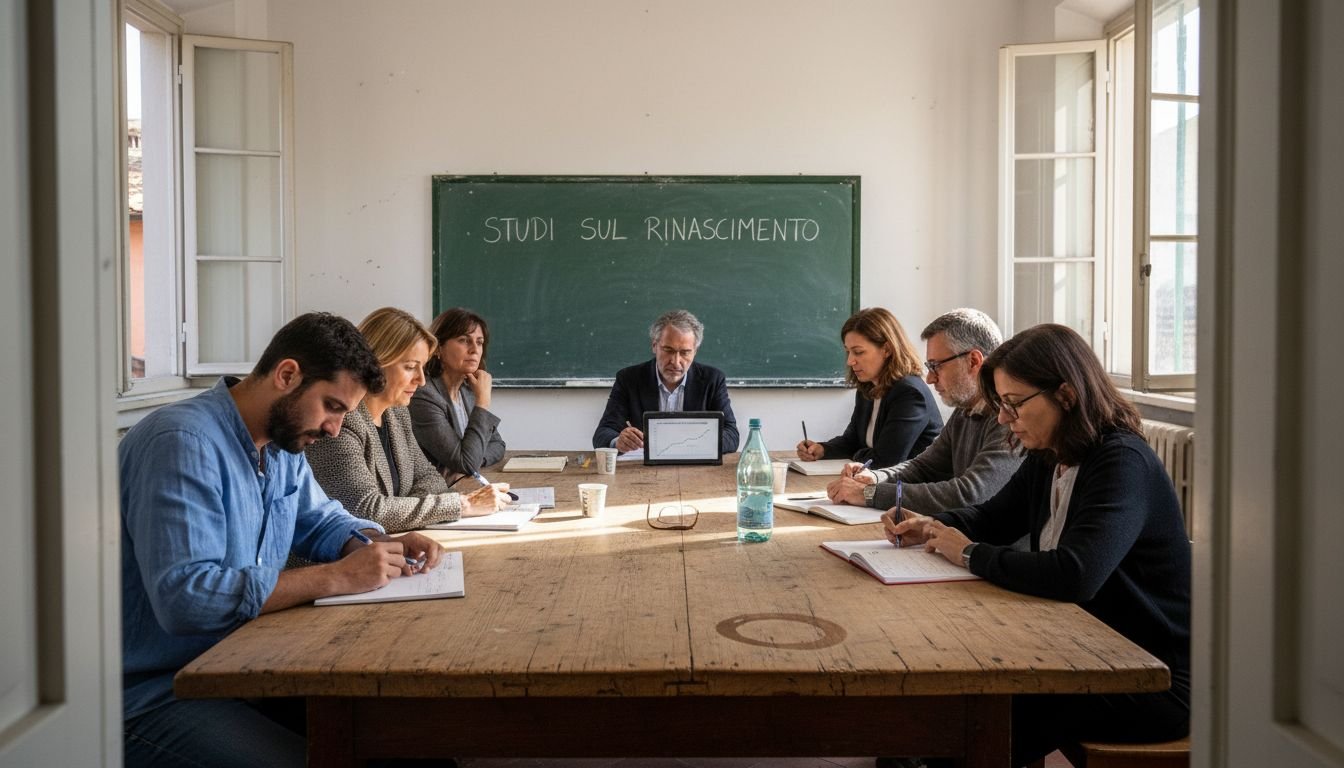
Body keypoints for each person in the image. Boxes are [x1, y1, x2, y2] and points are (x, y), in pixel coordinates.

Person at [120, 312, 447, 767]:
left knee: (413, 746)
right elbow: (187, 599)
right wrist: (334, 578)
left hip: (242, 666)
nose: (335, 428)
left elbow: (320, 520)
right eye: (332, 406)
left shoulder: (281, 444)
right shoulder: (181, 441)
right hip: (157, 693)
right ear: (287, 374)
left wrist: (374, 543)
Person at [886, 323, 1190, 766]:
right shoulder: (1051, 454)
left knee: (985, 709)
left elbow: (1075, 574)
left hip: (1149, 676)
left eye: (1012, 404)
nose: (1005, 419)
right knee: (964, 695)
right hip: (1083, 648)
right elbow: (992, 517)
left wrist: (969, 553)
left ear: (1065, 395)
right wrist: (931, 525)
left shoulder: (1121, 462)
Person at [307, 307, 509, 531]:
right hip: (336, 561)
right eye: (411, 367)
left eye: (422, 368)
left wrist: (405, 509)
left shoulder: (396, 413)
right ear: (376, 362)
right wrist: (462, 504)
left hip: (392, 544)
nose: (421, 381)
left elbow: (430, 479)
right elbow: (365, 510)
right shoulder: (340, 423)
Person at [825, 308, 1023, 513]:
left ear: (973, 361)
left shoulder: (1009, 418)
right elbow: (923, 467)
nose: (929, 378)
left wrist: (869, 493)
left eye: (936, 366)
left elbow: (969, 494)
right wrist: (875, 477)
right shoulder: (965, 410)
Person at [795, 307, 942, 467]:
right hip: (881, 483)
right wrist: (822, 449)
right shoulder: (868, 387)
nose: (850, 361)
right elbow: (852, 441)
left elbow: (886, 461)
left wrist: (859, 452)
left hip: (911, 488)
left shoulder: (909, 393)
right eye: (848, 352)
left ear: (887, 349)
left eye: (858, 352)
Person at [592, 309, 740, 454]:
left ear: (695, 351)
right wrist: (618, 442)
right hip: (643, 471)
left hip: (696, 469)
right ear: (654, 346)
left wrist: (693, 443)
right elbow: (603, 433)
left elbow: (732, 435)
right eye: (668, 350)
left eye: (685, 352)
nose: (676, 362)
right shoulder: (629, 379)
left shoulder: (712, 380)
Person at [410, 307, 506, 483]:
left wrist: (474, 460)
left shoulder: (468, 391)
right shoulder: (423, 396)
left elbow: (498, 445)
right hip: (435, 495)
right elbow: (466, 463)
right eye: (464, 340)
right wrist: (482, 403)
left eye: (479, 342)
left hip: (463, 486)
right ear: (438, 348)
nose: (474, 350)